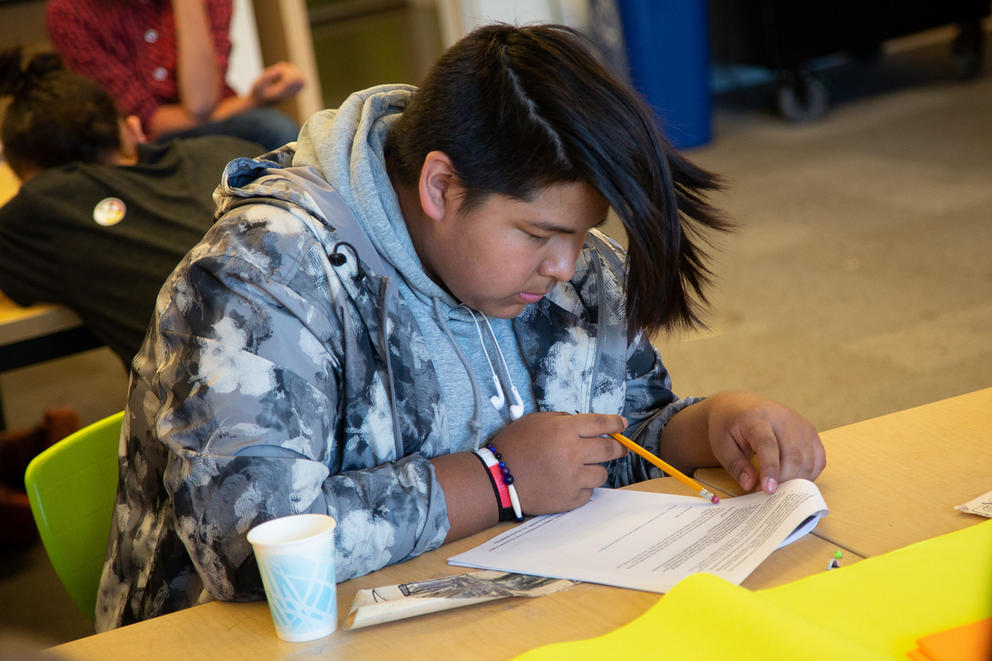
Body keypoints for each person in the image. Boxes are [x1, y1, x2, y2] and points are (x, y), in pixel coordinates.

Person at [95, 23, 826, 631]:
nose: (567, 267)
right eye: (539, 233)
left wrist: (706, 426)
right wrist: (496, 478)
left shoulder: (563, 268)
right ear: (441, 185)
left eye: (581, 233)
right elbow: (255, 549)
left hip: (500, 615)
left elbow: (611, 436)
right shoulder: (262, 278)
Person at [0, 47, 265, 367]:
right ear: (130, 130)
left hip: (236, 406)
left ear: (30, 177)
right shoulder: (233, 151)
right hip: (334, 363)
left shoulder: (43, 207)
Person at [45, 0, 304, 151]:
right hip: (138, 141)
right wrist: (252, 101)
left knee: (276, 130)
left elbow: (200, 103)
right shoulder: (70, 12)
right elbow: (149, 122)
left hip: (220, 119)